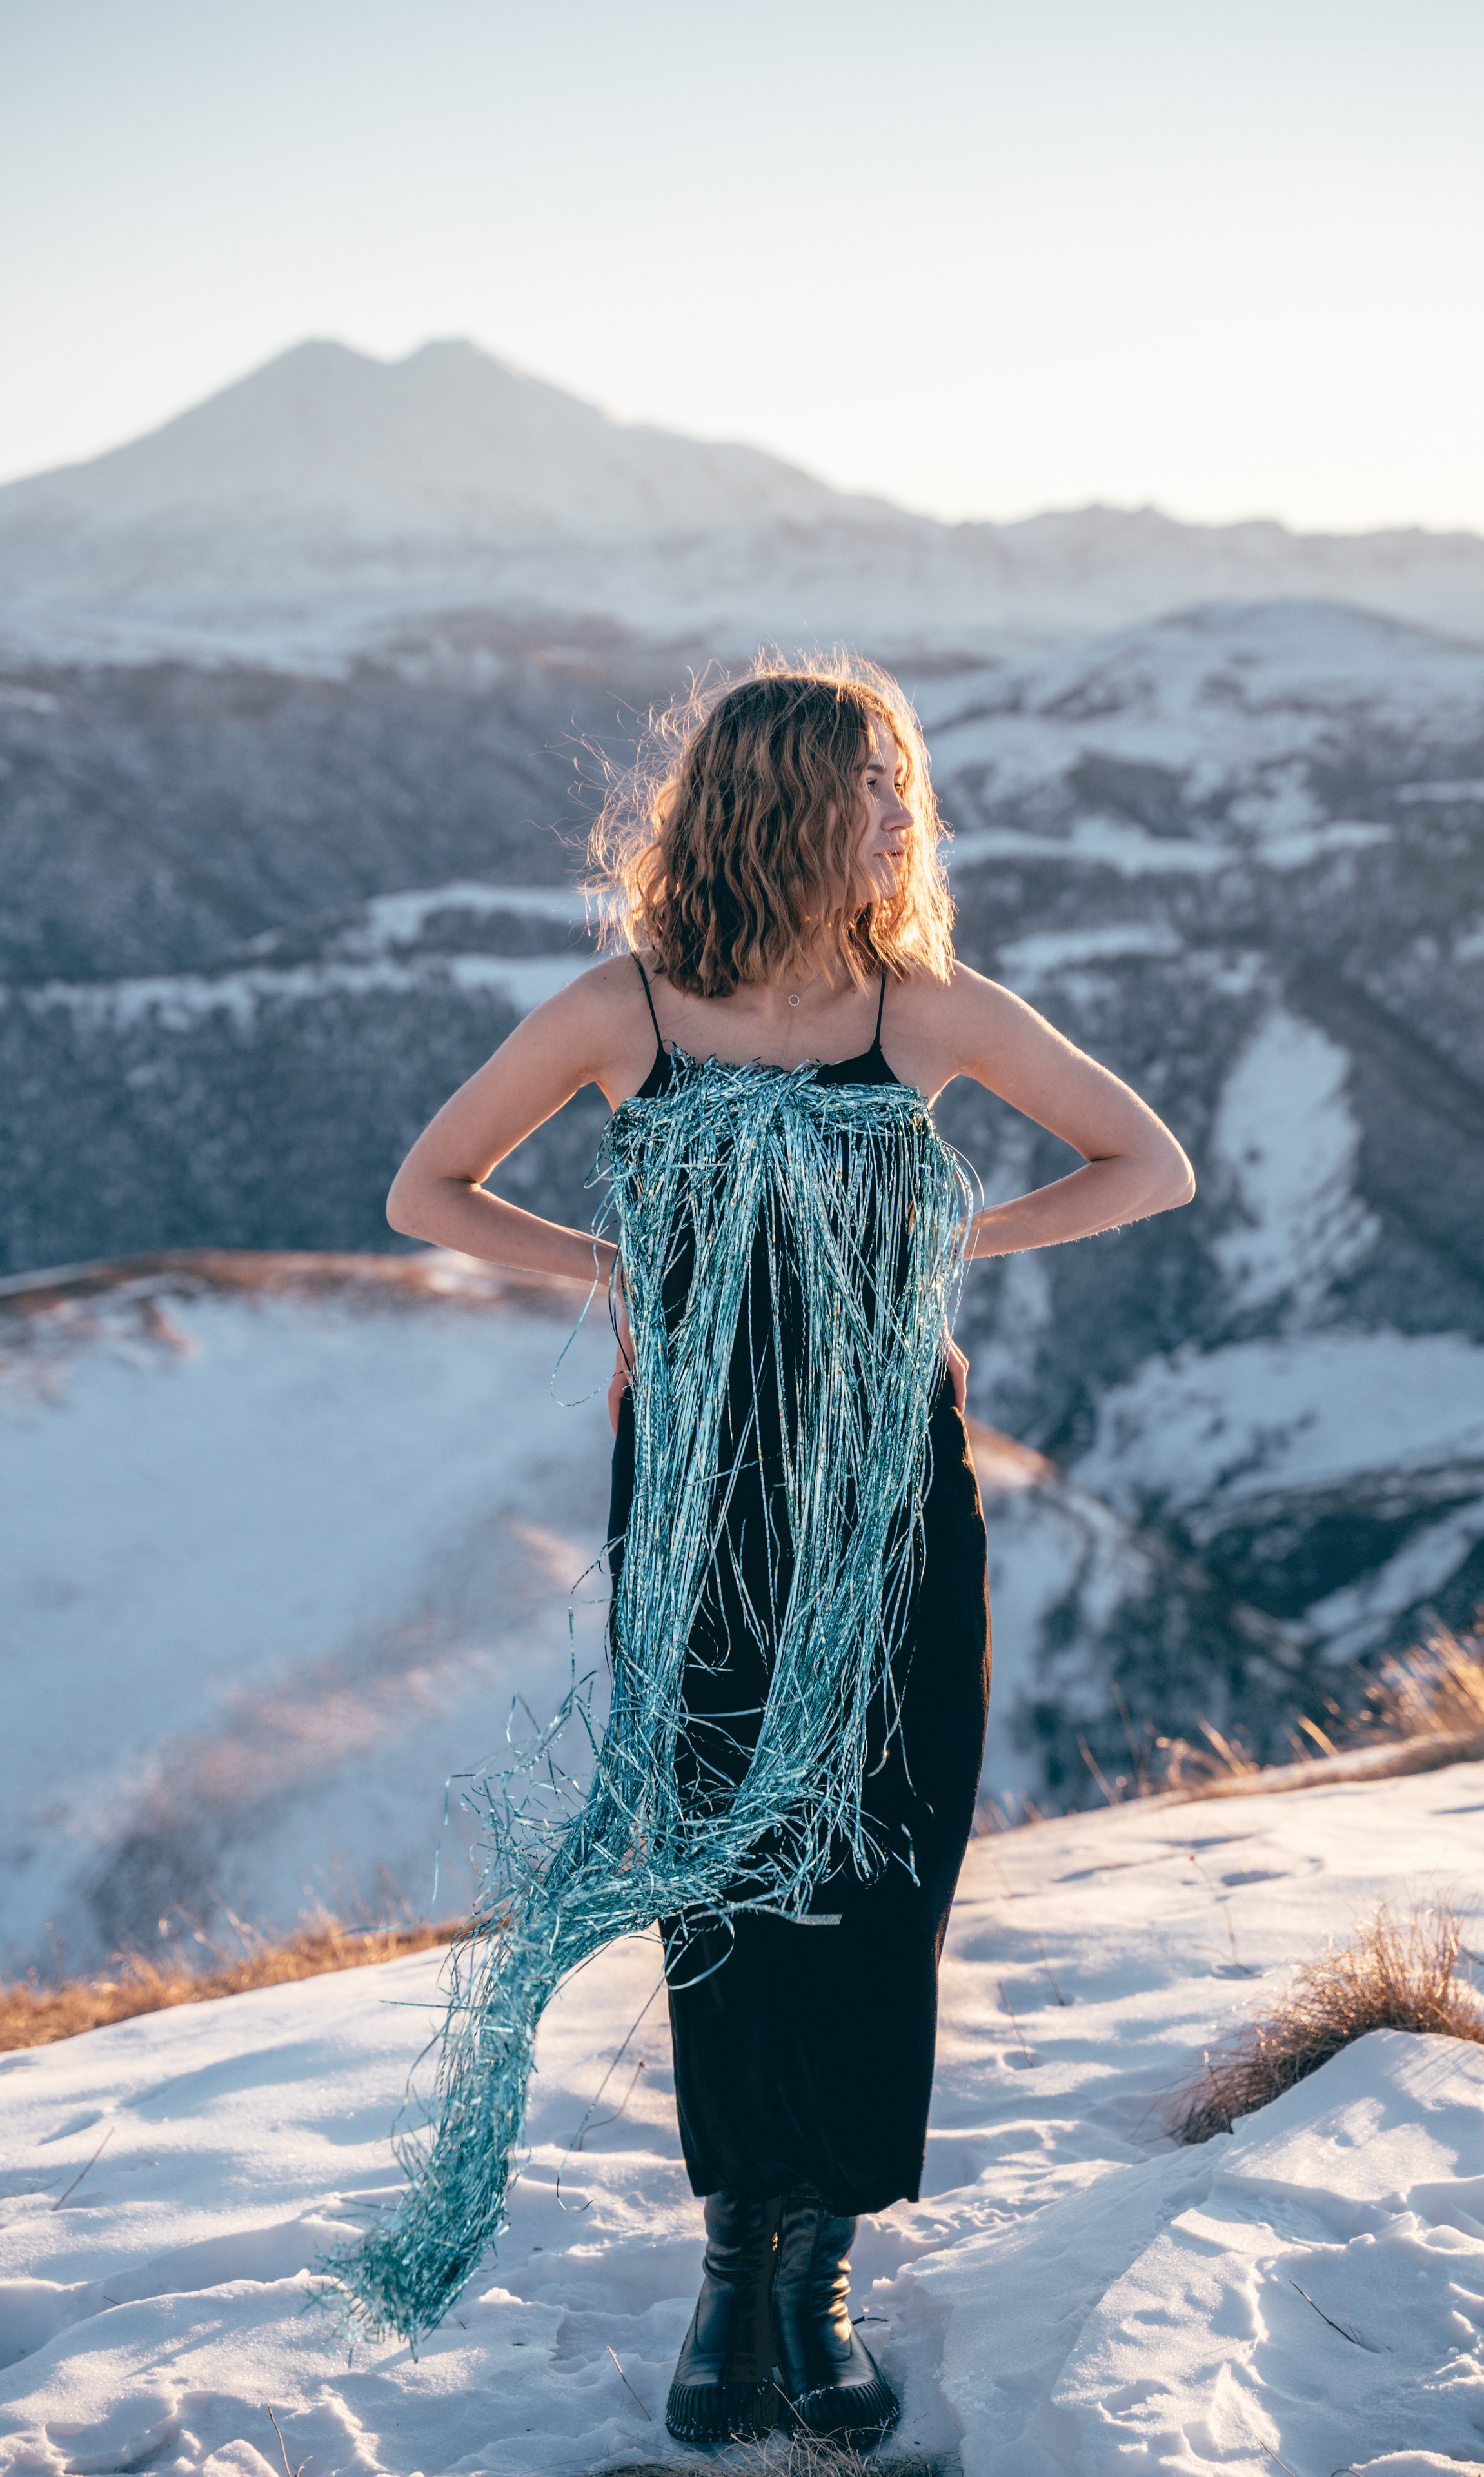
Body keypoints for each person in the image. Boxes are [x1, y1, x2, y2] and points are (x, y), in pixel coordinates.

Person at [364, 656, 1194, 2442]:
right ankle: (738, 2273)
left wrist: (943, 1248)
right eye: (873, 786)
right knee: (728, 1878)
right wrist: (626, 1270)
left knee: (882, 1869)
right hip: (702, 1511)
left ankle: (811, 2272)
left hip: (893, 1501)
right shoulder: (623, 1008)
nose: (906, 816)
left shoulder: (927, 1008)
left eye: (903, 787)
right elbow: (427, 1190)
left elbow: (1151, 1164)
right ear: (786, 804)